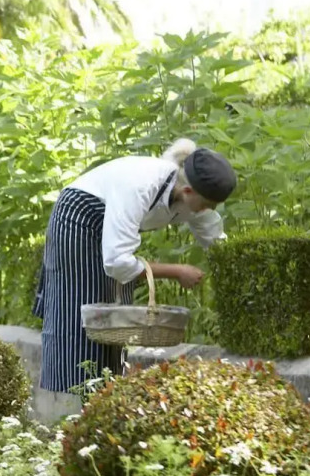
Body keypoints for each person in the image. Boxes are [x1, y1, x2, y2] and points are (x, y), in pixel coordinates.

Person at [33, 138, 237, 392]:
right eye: (207, 204)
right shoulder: (141, 185)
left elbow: (217, 243)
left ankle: (106, 394)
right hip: (79, 220)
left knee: (117, 315)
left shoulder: (190, 198)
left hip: (110, 231)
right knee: (84, 312)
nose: (208, 210)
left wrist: (235, 275)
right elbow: (118, 261)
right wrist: (176, 272)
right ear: (188, 192)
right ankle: (76, 405)